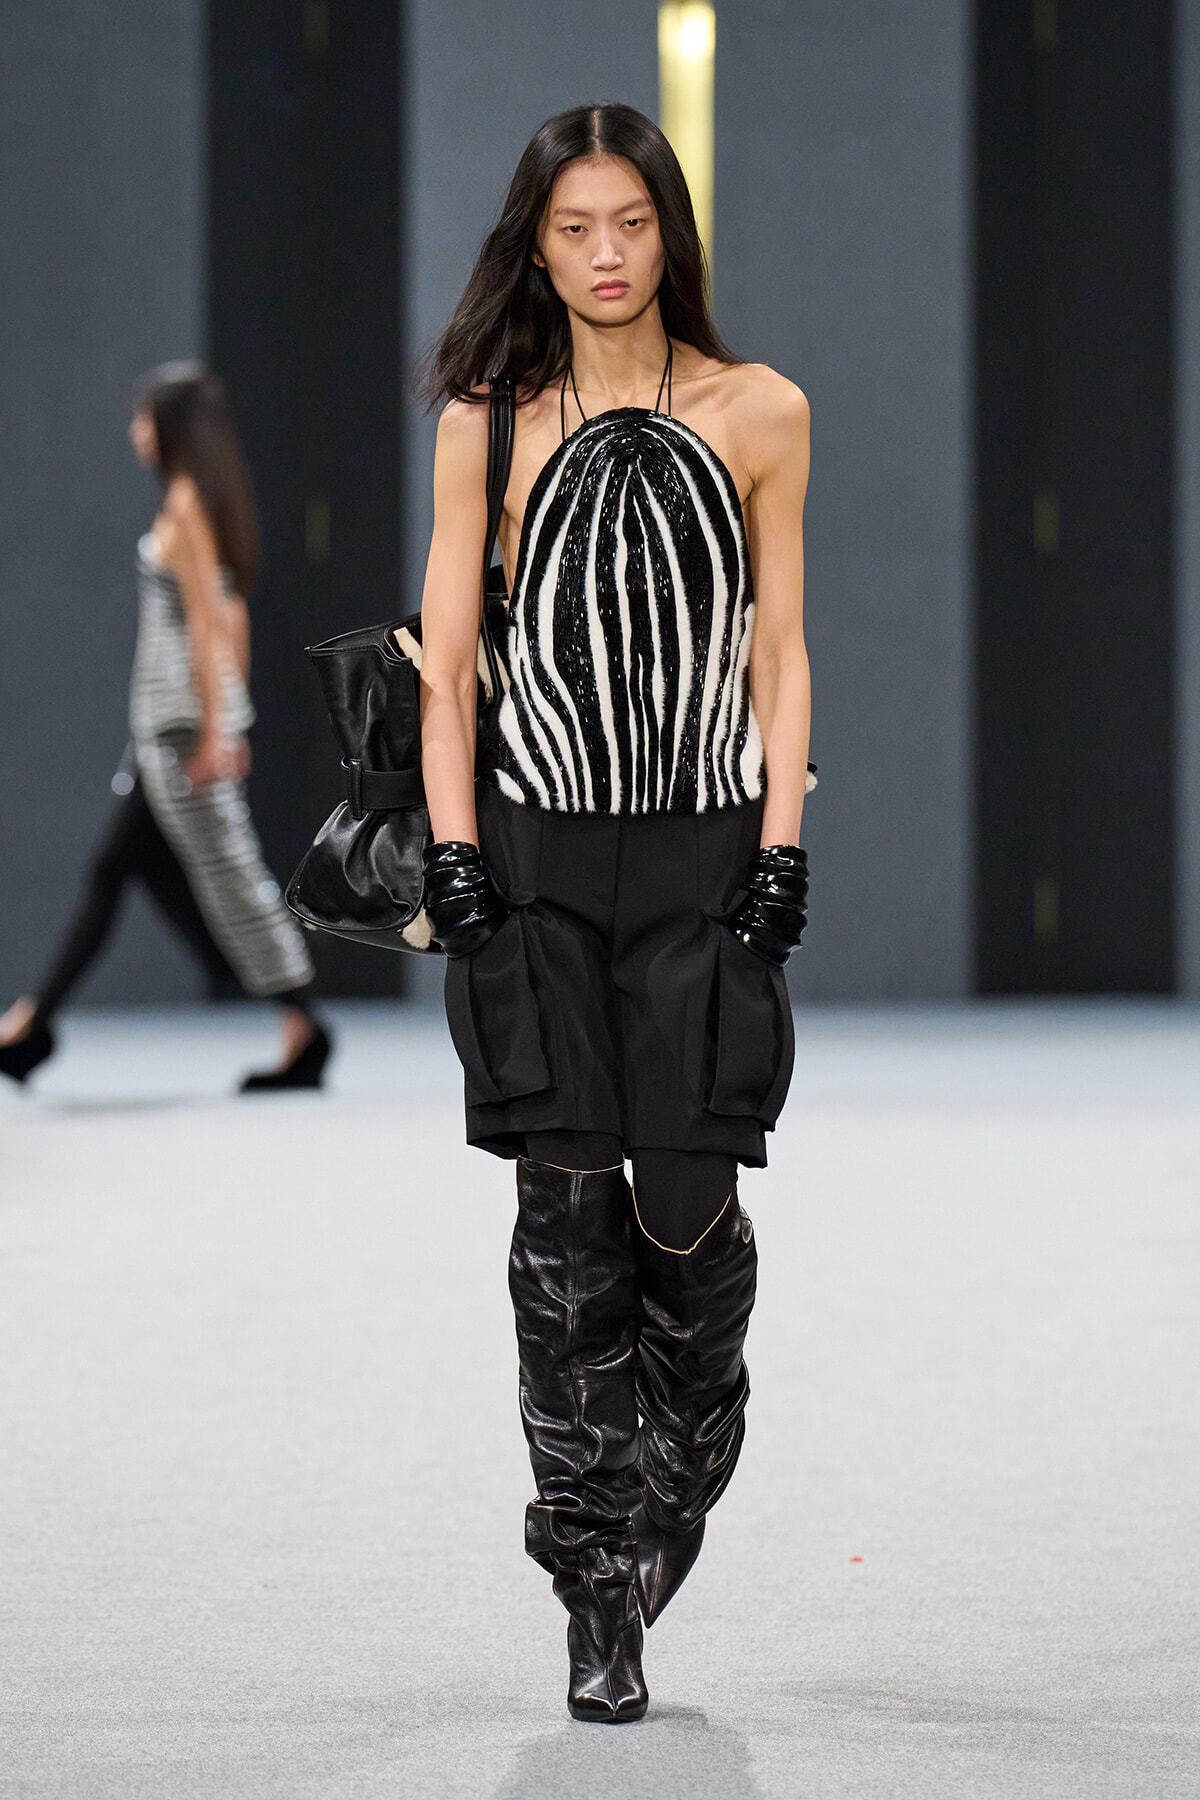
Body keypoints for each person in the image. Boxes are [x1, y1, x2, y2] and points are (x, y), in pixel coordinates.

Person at [417, 105, 811, 1722]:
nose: (602, 254)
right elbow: (448, 660)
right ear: (535, 241)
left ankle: (686, 1449)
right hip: (535, 853)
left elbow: (780, 645)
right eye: (573, 227)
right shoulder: (487, 421)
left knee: (687, 1217)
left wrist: (783, 846)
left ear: (670, 234)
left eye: (629, 224)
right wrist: (455, 856)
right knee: (562, 1232)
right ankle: (595, 1582)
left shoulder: (760, 409)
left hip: (704, 853)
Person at [0, 364, 331, 1092]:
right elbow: (229, 613)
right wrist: (229, 719)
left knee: (223, 877)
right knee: (125, 869)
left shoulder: (185, 508)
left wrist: (219, 730)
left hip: (180, 728)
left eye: (143, 417)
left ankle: (299, 1022)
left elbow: (213, 621)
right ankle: (33, 1024)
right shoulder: (199, 503)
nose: (135, 431)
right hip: (171, 725)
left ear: (172, 427)